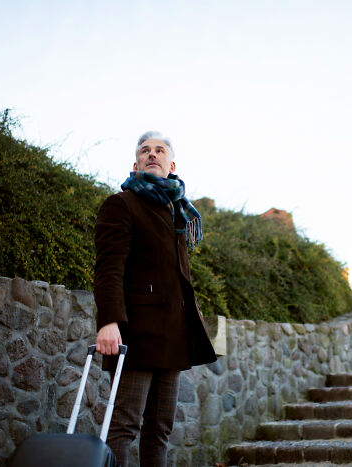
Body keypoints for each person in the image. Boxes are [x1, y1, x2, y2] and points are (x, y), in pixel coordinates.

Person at [93, 131, 217, 466]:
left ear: (171, 163)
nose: (152, 154)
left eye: (159, 150)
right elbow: (108, 268)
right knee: (124, 426)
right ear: (135, 165)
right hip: (137, 334)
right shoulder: (122, 204)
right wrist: (109, 323)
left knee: (160, 429)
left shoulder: (176, 209)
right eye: (145, 151)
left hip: (172, 336)